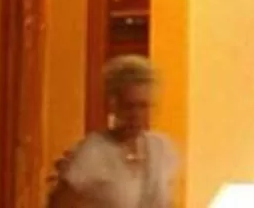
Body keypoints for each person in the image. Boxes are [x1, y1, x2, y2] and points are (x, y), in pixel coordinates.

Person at [47, 53, 179, 208]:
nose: (136, 115)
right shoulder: (93, 152)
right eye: (129, 106)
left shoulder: (161, 148)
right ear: (114, 105)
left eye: (143, 106)